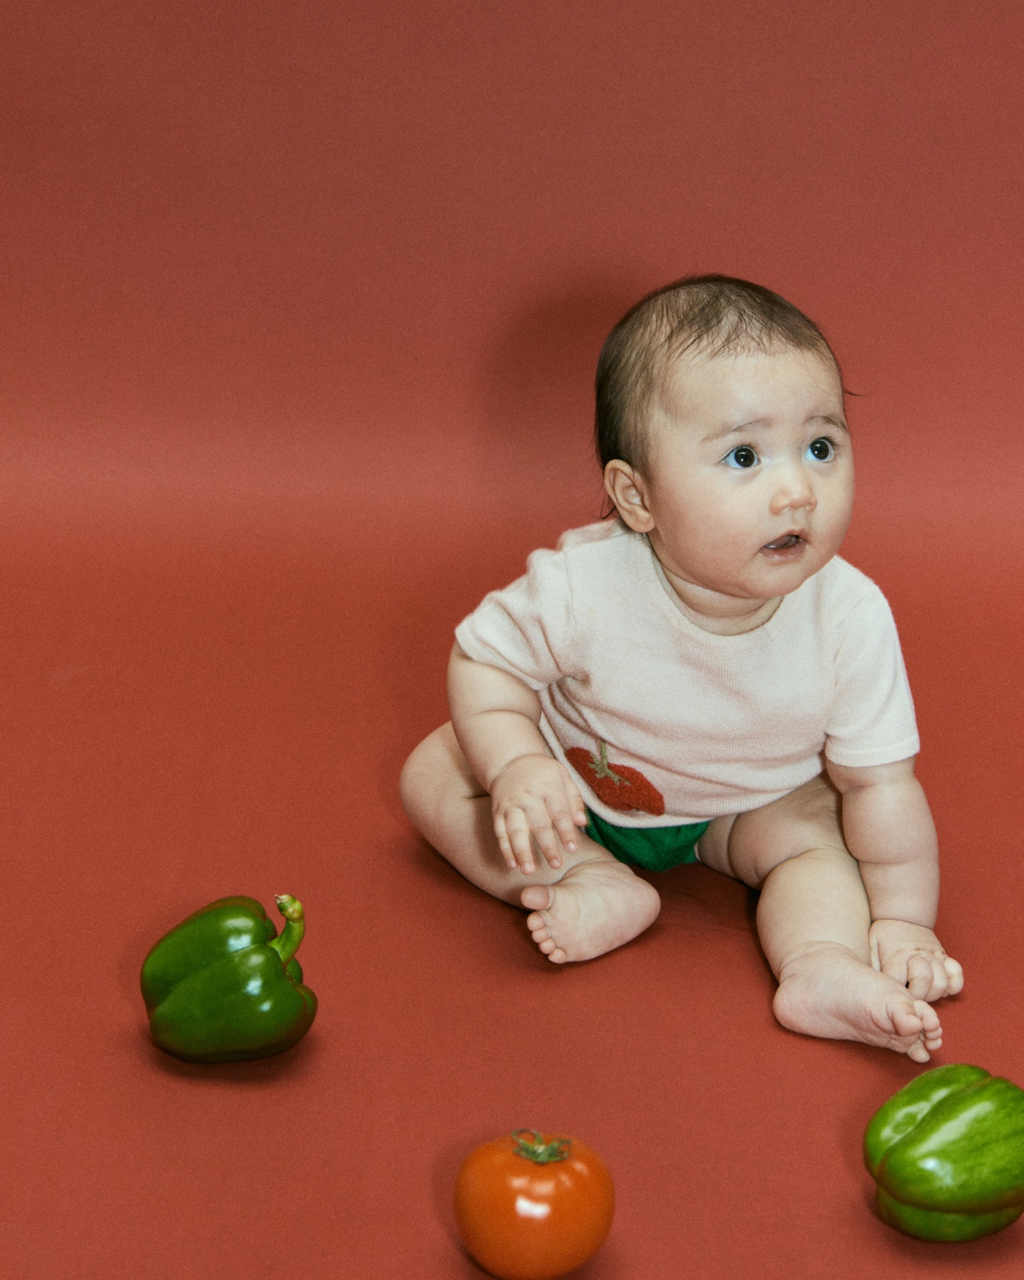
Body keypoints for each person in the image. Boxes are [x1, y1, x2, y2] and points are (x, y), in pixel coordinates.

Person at [400, 274, 963, 1062]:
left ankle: (819, 966)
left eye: (821, 447)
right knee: (435, 772)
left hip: (744, 809)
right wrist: (518, 763)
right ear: (637, 498)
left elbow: (883, 786)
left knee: (821, 836)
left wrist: (903, 919)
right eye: (744, 456)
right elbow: (483, 662)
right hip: (578, 786)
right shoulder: (583, 586)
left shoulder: (849, 614)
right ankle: (586, 877)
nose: (797, 490)